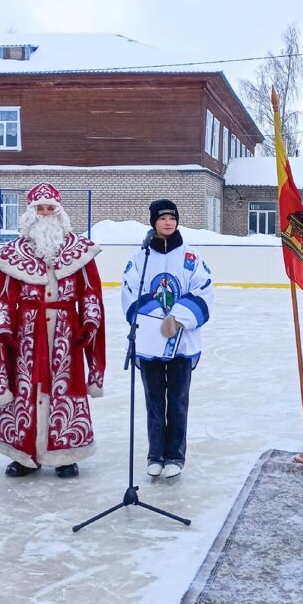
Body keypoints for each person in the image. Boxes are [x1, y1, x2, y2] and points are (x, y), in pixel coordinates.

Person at [0, 183, 106, 478]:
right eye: (39, 208)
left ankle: (66, 453)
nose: (45, 214)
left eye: (50, 208)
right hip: (28, 333)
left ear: (59, 212)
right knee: (26, 386)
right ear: (30, 214)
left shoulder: (79, 251)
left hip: (67, 332)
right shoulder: (13, 255)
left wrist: (90, 321)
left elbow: (91, 293)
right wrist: (3, 328)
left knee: (65, 386)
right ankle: (23, 455)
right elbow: (3, 297)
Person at [120, 199, 213, 479]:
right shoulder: (140, 258)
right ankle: (155, 454)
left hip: (182, 342)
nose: (168, 222)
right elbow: (129, 291)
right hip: (150, 343)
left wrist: (176, 318)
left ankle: (175, 455)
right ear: (153, 222)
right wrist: (155, 319)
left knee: (178, 400)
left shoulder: (191, 256)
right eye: (162, 218)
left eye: (172, 217)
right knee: (154, 400)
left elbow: (204, 289)